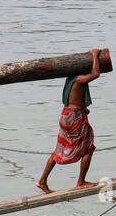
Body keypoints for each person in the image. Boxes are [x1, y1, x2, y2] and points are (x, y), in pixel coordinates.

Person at [37, 49, 102, 193]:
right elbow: (95, 74)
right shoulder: (78, 79)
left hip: (66, 115)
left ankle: (42, 181)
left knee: (59, 149)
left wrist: (83, 110)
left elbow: (74, 101)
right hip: (74, 118)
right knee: (88, 148)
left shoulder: (69, 80)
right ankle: (81, 181)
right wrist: (95, 55)